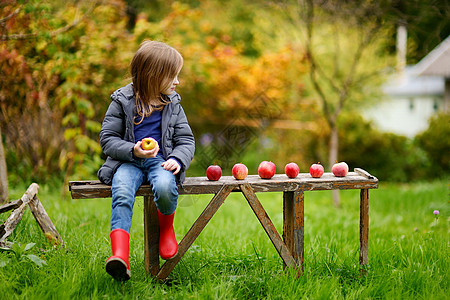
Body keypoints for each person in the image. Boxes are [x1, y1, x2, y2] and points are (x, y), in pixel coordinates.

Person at [97, 40, 195, 281]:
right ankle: (120, 256)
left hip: (160, 161)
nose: (177, 82)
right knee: (121, 193)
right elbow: (107, 139)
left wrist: (177, 160)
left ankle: (166, 229)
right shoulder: (121, 101)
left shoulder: (173, 104)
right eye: (173, 76)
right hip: (127, 162)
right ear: (154, 76)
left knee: (164, 185)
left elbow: (186, 139)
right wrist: (133, 150)